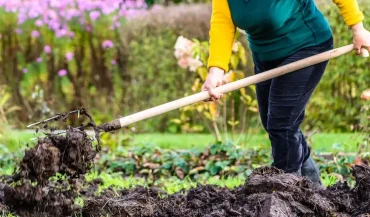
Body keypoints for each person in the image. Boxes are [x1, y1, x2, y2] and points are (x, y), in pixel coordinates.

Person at [202, 0, 370, 187]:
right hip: (265, 56)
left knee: (281, 125)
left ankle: (287, 190)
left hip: (307, 46)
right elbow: (222, 23)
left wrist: (358, 28)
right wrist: (215, 71)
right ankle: (313, 187)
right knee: (273, 122)